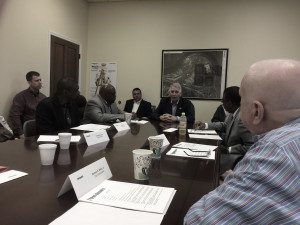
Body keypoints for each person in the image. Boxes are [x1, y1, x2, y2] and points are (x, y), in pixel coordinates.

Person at [184, 59, 300, 225]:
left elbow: (199, 221)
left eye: (242, 99)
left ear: (256, 111)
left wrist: (231, 183)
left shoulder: (276, 151)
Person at [8, 71, 46, 137]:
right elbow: (14, 116)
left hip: (42, 130)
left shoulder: (43, 97)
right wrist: (21, 133)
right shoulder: (21, 97)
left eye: (40, 80)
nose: (40, 82)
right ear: (29, 82)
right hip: (27, 133)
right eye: (37, 81)